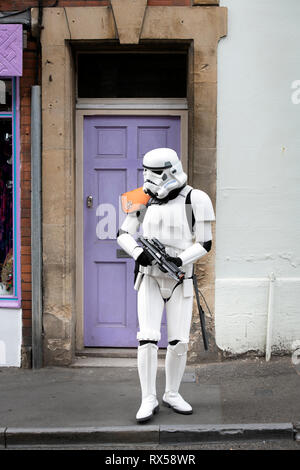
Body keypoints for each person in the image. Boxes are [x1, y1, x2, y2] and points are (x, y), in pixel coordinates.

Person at [117, 148, 215, 423]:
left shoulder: (197, 199)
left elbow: (205, 243)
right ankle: (148, 397)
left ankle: (172, 392)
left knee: (179, 342)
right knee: (147, 338)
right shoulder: (140, 197)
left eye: (155, 174)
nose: (149, 179)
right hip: (148, 277)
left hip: (180, 278)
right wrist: (139, 253)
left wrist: (178, 258)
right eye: (146, 172)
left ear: (171, 171)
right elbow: (123, 234)